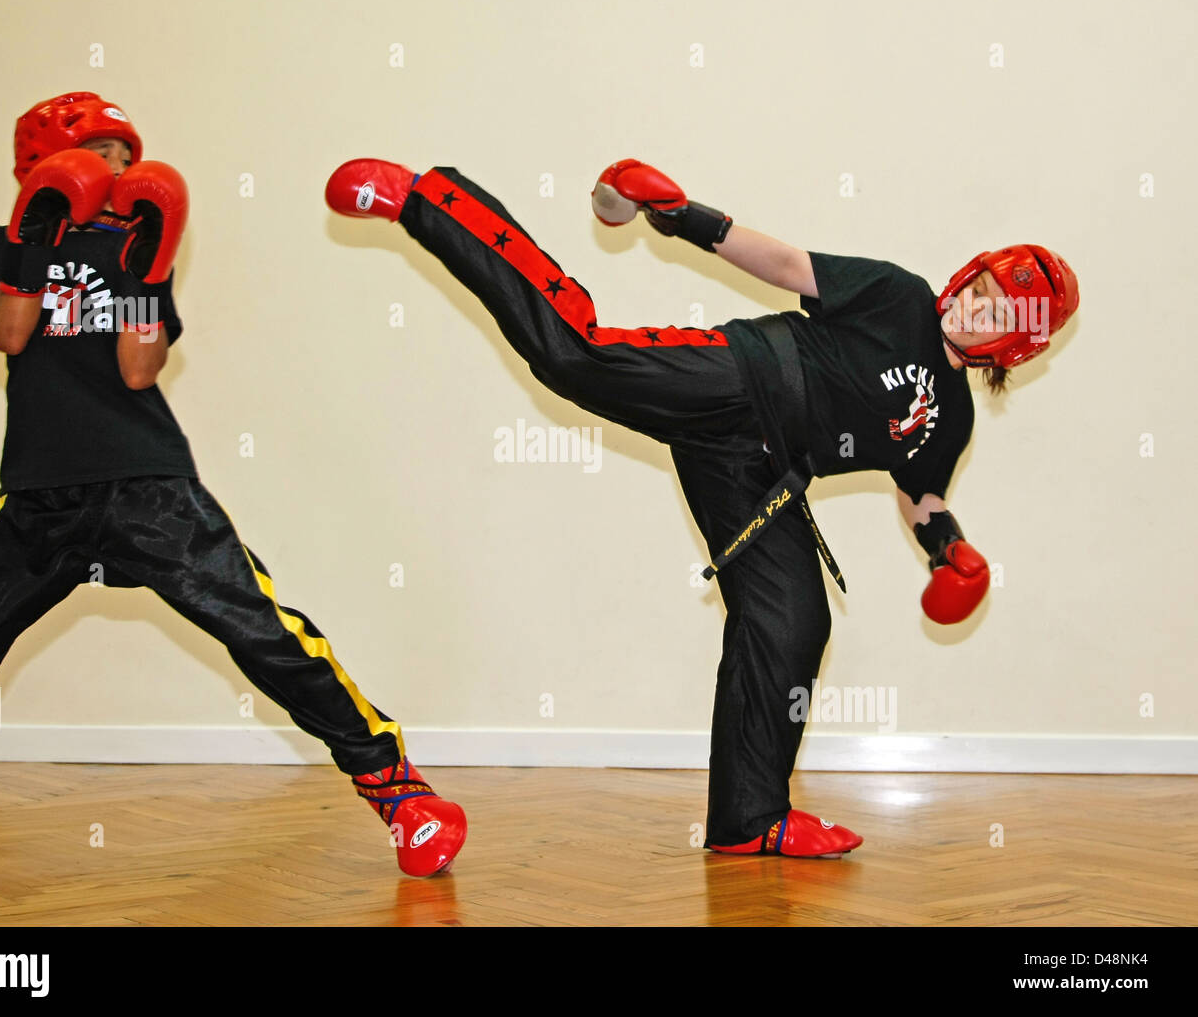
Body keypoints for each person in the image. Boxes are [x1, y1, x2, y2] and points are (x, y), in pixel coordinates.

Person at [324, 157, 1078, 857]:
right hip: (737, 377)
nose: (976, 310)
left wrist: (952, 553)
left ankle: (750, 820)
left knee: (794, 620)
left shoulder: (952, 418)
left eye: (996, 315)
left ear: (1014, 347)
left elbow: (921, 495)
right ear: (966, 276)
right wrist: (687, 216)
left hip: (761, 470)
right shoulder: (900, 295)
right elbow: (789, 267)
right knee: (573, 355)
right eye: (981, 292)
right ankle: (425, 200)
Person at [0, 94, 466, 877]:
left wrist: (150, 266)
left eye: (126, 157)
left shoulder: (136, 246)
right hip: (43, 492)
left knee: (265, 632)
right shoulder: (2, 244)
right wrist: (35, 234)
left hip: (150, 486)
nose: (118, 169)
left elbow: (139, 368)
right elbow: (10, 332)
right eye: (99, 152)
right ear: (44, 165)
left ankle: (400, 793)